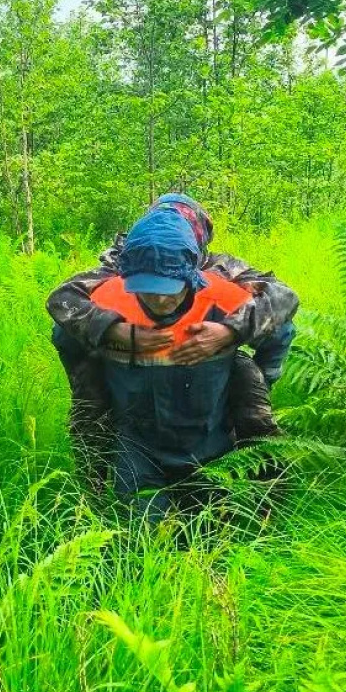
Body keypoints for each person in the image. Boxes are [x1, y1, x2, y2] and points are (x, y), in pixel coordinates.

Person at [48, 194, 297, 497]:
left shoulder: (221, 270)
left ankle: (266, 488)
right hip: (132, 398)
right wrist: (116, 334)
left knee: (252, 410)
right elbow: (62, 307)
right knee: (93, 416)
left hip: (207, 396)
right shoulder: (120, 265)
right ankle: (95, 485)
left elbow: (282, 302)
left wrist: (231, 336)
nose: (161, 298)